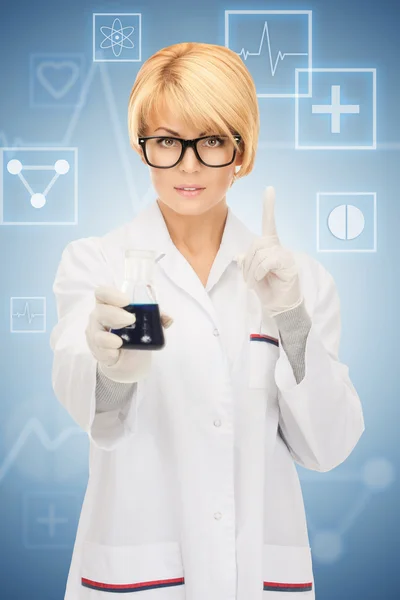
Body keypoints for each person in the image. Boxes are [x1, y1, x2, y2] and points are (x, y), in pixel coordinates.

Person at [50, 42, 365, 600]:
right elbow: (95, 417)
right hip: (139, 572)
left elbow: (329, 446)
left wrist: (291, 318)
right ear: (142, 147)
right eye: (168, 141)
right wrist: (112, 370)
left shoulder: (301, 281)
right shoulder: (97, 262)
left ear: (241, 152)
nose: (188, 165)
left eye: (211, 141)